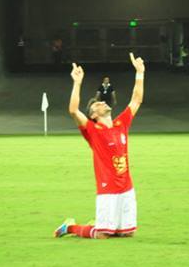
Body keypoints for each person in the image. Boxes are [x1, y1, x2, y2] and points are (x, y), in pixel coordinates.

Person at [54, 52, 145, 239]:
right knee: (103, 235)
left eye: (102, 102)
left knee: (128, 234)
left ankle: (102, 223)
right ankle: (69, 228)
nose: (102, 102)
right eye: (97, 105)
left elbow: (136, 100)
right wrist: (77, 83)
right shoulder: (93, 130)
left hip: (126, 187)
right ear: (94, 115)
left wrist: (140, 73)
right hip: (108, 188)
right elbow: (73, 110)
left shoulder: (121, 124)